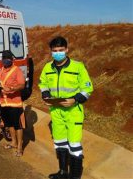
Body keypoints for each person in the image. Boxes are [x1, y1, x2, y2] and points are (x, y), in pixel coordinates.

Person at [38, 36, 93, 179]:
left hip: (73, 112)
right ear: (51, 51)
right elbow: (43, 83)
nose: (57, 53)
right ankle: (63, 172)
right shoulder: (47, 67)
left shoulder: (78, 67)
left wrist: (75, 100)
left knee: (74, 146)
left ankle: (74, 177)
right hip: (56, 112)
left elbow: (87, 89)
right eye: (54, 51)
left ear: (67, 50)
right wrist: (46, 95)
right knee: (60, 143)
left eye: (61, 50)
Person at [0, 50, 25, 157]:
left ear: (11, 59)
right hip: (4, 102)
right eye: (4, 58)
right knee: (9, 124)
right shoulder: (2, 70)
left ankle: (20, 146)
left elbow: (22, 85)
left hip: (15, 103)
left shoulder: (17, 70)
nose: (5, 60)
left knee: (18, 126)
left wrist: (11, 88)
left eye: (7, 58)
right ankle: (14, 142)